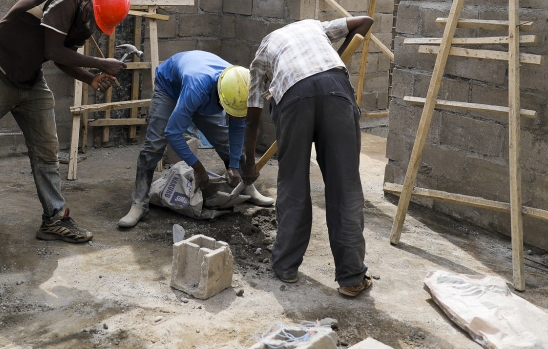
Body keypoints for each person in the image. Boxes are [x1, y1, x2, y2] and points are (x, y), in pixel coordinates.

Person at [240, 15, 375, 297]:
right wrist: (338, 59)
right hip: (336, 89)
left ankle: (286, 267)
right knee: (345, 186)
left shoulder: (263, 52)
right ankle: (351, 277)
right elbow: (365, 21)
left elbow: (252, 117)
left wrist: (249, 163)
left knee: (293, 185)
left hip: (293, 99)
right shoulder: (315, 26)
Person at [0, 0, 130, 243]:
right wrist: (101, 63)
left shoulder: (84, 20)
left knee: (47, 151)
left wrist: (91, 78)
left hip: (30, 79)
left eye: (98, 22)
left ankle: (54, 219)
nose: (92, 24)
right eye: (94, 16)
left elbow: (62, 57)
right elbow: (52, 50)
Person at [117, 50, 273, 229]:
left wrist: (234, 166)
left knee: (224, 140)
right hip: (170, 87)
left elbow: (237, 128)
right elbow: (173, 132)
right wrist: (197, 168)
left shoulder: (239, 84)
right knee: (154, 144)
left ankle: (246, 187)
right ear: (220, 96)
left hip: (202, 89)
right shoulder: (197, 86)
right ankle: (139, 203)